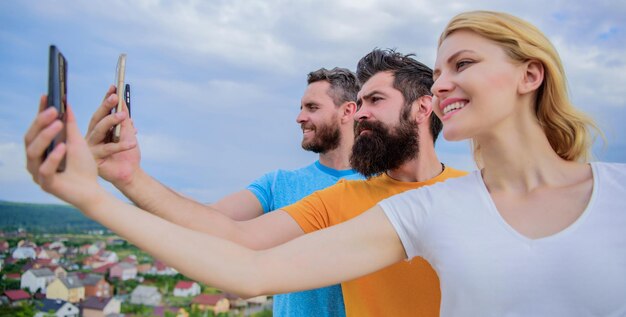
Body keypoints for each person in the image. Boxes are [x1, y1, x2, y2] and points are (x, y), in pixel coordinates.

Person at [42, 14, 626, 313]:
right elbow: (242, 258)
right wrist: (106, 188)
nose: (446, 82)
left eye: (463, 64)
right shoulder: (427, 211)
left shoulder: (616, 190)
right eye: (440, 69)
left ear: (530, 74)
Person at [27, 48, 466, 316]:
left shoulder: (475, 191)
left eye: (374, 100)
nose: (363, 111)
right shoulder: (341, 197)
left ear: (424, 107)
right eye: (361, 99)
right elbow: (234, 242)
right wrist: (124, 180)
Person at [85, 67, 364, 317]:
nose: (299, 117)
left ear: (347, 111)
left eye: (312, 107)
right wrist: (129, 177)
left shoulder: (383, 186)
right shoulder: (278, 184)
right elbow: (207, 221)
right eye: (301, 107)